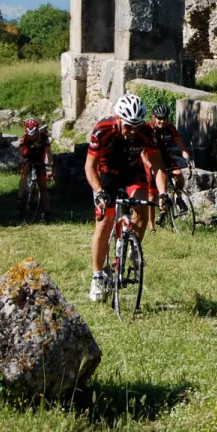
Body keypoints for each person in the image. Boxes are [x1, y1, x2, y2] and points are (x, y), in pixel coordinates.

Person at [86, 93, 165, 302]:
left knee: (143, 209)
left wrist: (163, 193)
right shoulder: (102, 130)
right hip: (106, 175)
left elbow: (157, 166)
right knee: (105, 222)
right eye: (128, 126)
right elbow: (89, 167)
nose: (132, 131)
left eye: (136, 126)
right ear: (119, 118)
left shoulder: (146, 133)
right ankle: (97, 276)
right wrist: (98, 191)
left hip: (132, 172)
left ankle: (132, 246)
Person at [149, 103, 192, 230]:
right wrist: (149, 166)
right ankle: (151, 226)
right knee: (152, 194)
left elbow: (181, 146)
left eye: (164, 118)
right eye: (159, 118)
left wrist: (187, 158)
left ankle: (179, 198)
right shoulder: (149, 130)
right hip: (152, 161)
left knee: (179, 176)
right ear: (154, 117)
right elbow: (142, 151)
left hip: (167, 158)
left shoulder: (171, 129)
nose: (161, 121)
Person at [16, 116, 53, 223]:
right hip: (28, 158)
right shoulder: (24, 139)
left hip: (40, 161)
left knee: (44, 188)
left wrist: (49, 166)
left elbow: (48, 153)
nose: (32, 137)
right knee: (24, 173)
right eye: (30, 136)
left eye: (34, 135)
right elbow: (20, 152)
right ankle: (20, 198)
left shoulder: (44, 138)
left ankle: (48, 213)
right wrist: (22, 159)